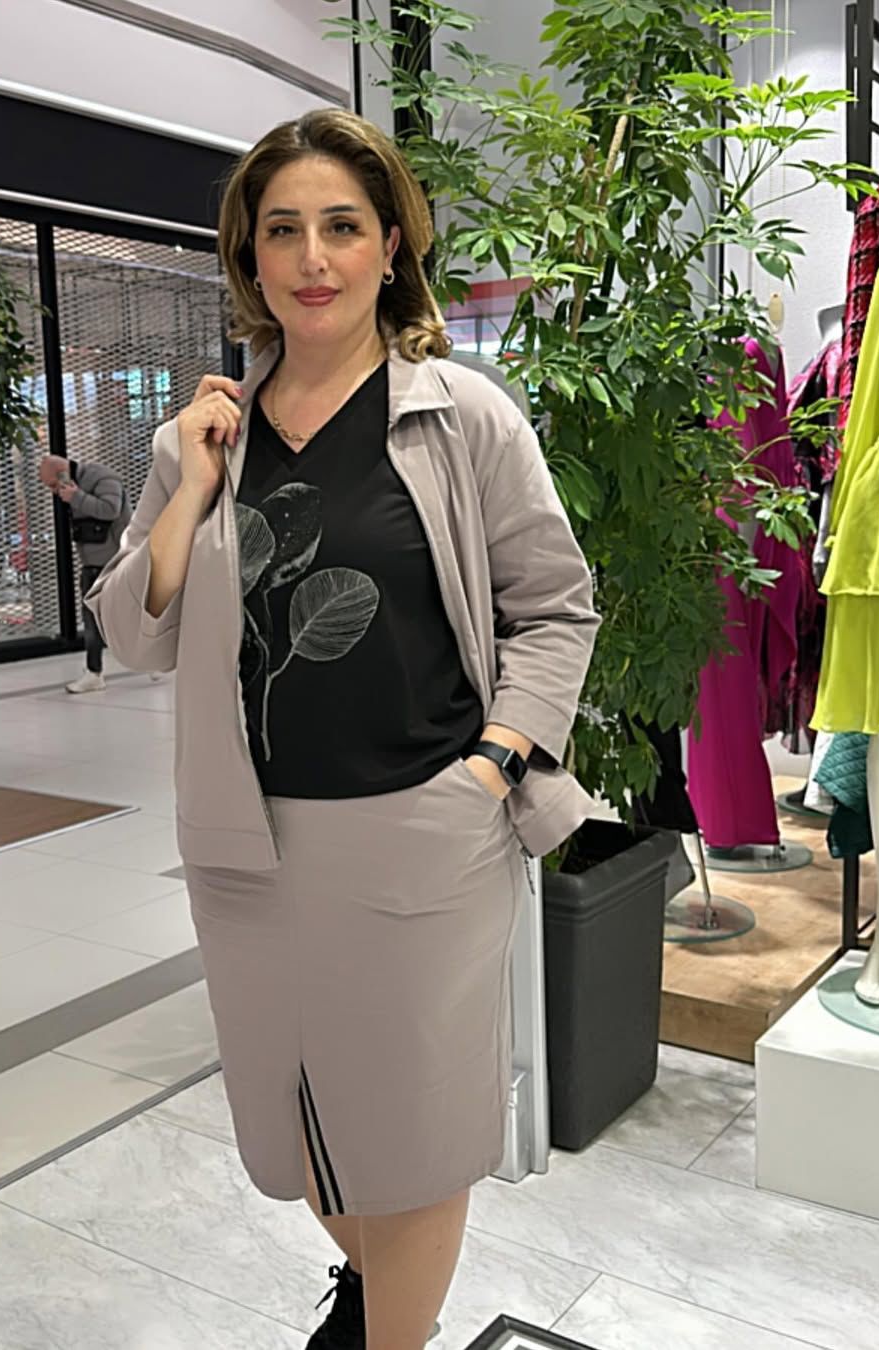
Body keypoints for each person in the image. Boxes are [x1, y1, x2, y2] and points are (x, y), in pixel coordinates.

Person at [86, 109, 599, 1350]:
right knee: (301, 1127)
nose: (313, 258)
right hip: (247, 848)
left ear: (389, 247)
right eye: (283, 231)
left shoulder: (463, 416)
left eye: (342, 227)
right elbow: (134, 634)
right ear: (248, 258)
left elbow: (555, 606)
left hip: (424, 833)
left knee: (414, 1139)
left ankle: (389, 1337)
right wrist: (192, 486)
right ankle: (376, 1299)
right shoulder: (198, 440)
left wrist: (494, 765)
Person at [38, 452, 129, 693]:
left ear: (63, 473)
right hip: (92, 564)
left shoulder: (103, 478)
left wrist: (76, 497)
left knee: (130, 613)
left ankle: (156, 658)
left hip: (117, 561)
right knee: (91, 619)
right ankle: (94, 672)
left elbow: (111, 509)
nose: (54, 491)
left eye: (53, 485)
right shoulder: (70, 488)